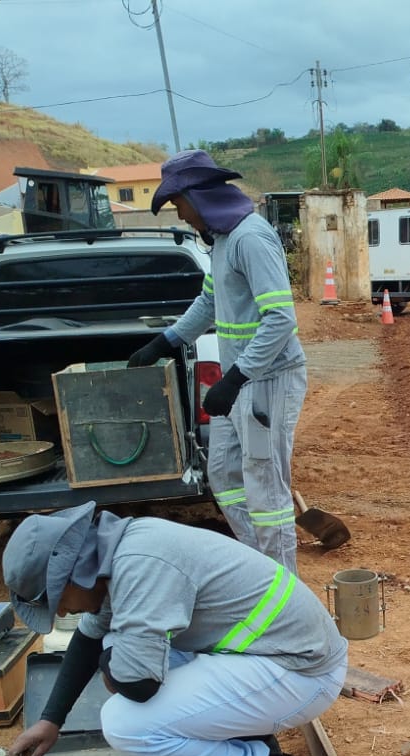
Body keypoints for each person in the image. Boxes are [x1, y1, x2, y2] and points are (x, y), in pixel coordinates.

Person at [3, 502, 348, 756]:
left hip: (301, 672)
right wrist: (51, 720)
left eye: (56, 601)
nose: (61, 612)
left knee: (124, 723)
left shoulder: (141, 568)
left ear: (72, 574)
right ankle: (243, 746)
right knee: (117, 646)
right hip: (268, 653)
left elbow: (138, 686)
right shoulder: (114, 553)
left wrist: (115, 661)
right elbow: (89, 639)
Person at [127, 149, 305, 571]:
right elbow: (210, 300)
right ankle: (260, 568)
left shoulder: (251, 238)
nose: (180, 215)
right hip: (240, 383)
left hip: (267, 381)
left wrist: (236, 377)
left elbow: (280, 319)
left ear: (198, 196)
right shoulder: (224, 241)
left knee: (266, 491)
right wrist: (166, 341)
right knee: (224, 476)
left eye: (179, 205)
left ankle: (285, 587)